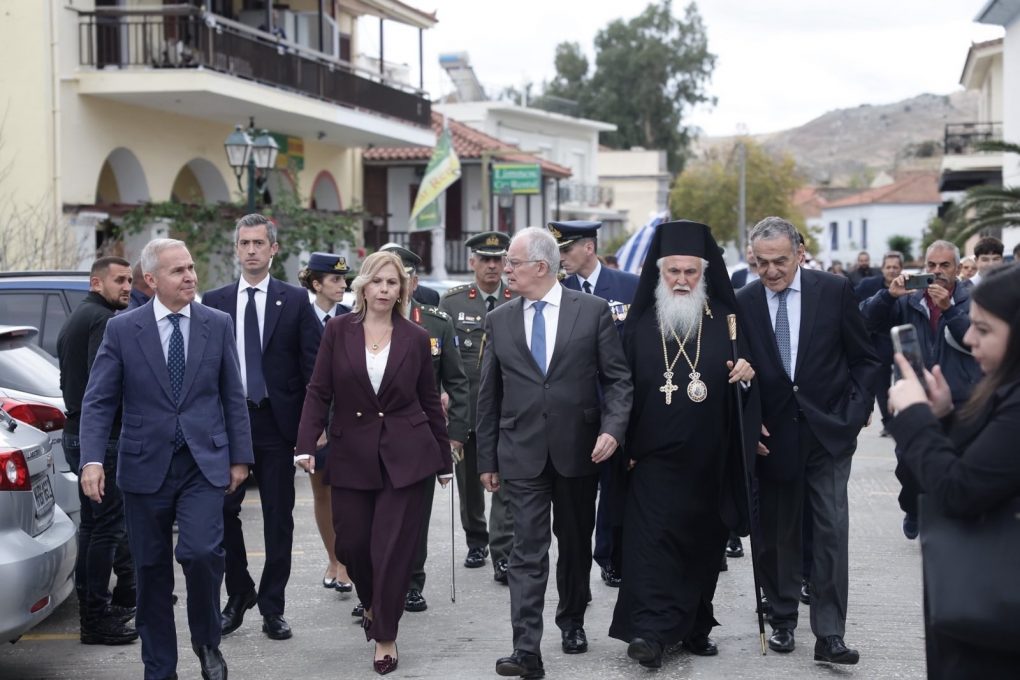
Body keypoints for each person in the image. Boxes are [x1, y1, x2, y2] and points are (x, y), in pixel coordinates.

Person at [79, 238, 253, 680]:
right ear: (152, 280)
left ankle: (207, 642)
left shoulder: (217, 323)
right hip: (144, 467)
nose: (190, 276)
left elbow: (233, 395)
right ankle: (159, 667)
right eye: (178, 271)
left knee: (201, 554)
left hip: (202, 464)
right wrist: (91, 460)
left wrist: (240, 457)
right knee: (151, 571)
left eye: (191, 267)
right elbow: (99, 400)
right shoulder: (123, 329)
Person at [476, 227, 632, 678]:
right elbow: (489, 394)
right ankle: (526, 648)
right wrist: (487, 459)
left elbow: (618, 380)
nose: (506, 270)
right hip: (521, 451)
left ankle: (573, 619)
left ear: (540, 267)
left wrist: (613, 430)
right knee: (527, 549)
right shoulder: (500, 319)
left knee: (575, 542)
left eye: (513, 263)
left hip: (580, 449)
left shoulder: (592, 311)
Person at [608, 220, 759, 668]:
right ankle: (650, 634)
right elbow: (620, 389)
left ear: (704, 274)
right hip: (651, 459)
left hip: (709, 458)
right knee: (651, 547)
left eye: (690, 272)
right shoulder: (639, 324)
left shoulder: (728, 321)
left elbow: (750, 382)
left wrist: (747, 377)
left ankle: (695, 625)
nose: (681, 280)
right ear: (659, 273)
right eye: (672, 271)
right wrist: (623, 443)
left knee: (701, 547)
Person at [294, 251, 453, 675]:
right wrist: (305, 442)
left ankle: (385, 633)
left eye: (392, 282)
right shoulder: (338, 330)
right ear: (363, 286)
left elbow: (428, 400)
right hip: (351, 453)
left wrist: (443, 459)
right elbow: (318, 390)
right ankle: (372, 603)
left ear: (402, 290)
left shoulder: (416, 337)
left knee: (392, 549)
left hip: (407, 456)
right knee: (352, 544)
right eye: (377, 281)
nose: (384, 289)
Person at [736, 216, 880, 665]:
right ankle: (782, 619)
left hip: (828, 433)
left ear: (800, 253)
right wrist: (749, 423)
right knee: (777, 532)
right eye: (762, 263)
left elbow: (865, 359)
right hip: (774, 437)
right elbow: (735, 369)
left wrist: (853, 415)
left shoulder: (833, 291)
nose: (771, 271)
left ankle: (830, 634)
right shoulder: (743, 302)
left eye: (780, 261)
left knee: (830, 530)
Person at [886, 263, 1020, 678]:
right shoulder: (1004, 389)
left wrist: (915, 416)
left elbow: (959, 490)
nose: (969, 338)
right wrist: (943, 417)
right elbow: (981, 464)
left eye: (984, 329)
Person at [202, 213, 321, 641]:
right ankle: (239, 592)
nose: (251, 250)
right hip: (228, 424)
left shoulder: (295, 300)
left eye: (258, 243)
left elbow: (313, 369)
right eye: (244, 243)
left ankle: (273, 606)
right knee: (222, 511)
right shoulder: (214, 301)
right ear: (236, 249)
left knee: (277, 518)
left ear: (273, 249)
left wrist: (312, 429)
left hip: (275, 422)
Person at [861, 240, 981, 539]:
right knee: (907, 463)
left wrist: (949, 310)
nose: (937, 271)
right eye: (932, 265)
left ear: (957, 268)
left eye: (945, 265)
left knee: (954, 459)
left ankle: (949, 519)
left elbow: (974, 341)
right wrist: (888, 296)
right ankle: (913, 507)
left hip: (960, 396)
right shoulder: (909, 300)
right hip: (916, 395)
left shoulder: (971, 299)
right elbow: (865, 321)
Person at [550, 219, 639, 589]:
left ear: (589, 247)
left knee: (617, 490)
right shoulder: (557, 290)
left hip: (619, 408)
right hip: (577, 411)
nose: (561, 257)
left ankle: (612, 556)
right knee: (577, 500)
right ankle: (578, 575)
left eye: (567, 249)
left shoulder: (628, 286)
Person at [57, 256, 138, 645]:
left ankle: (94, 611)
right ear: (96, 283)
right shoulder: (103, 320)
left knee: (93, 527)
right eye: (119, 280)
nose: (127, 287)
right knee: (106, 528)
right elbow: (101, 386)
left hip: (80, 434)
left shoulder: (79, 316)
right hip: (100, 440)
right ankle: (95, 617)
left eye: (130, 280)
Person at [384, 245, 469, 614]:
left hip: (417, 436)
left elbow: (457, 382)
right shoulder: (357, 322)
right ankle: (373, 587)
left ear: (414, 282)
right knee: (371, 517)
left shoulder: (435, 322)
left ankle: (411, 583)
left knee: (414, 516)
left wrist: (456, 435)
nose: (392, 286)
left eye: (400, 278)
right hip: (368, 435)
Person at [440, 232, 517, 584]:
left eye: (498, 259)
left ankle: (504, 551)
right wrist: (442, 394)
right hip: (467, 407)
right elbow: (439, 356)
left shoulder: (518, 297)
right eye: (485, 259)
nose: (492, 266)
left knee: (505, 482)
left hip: (508, 407)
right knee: (470, 480)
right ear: (472, 262)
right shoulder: (453, 302)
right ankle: (476, 540)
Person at [297, 252, 354, 593]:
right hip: (315, 418)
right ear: (316, 284)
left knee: (347, 493)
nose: (342, 285)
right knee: (322, 493)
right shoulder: (300, 318)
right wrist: (311, 427)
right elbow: (296, 374)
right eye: (335, 279)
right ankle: (333, 559)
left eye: (344, 279)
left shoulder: (352, 317)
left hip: (348, 418)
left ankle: (346, 563)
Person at [853, 251, 904, 432]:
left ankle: (907, 418)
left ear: (901, 269)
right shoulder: (868, 285)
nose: (892, 270)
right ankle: (889, 422)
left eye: (895, 267)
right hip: (877, 341)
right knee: (881, 385)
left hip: (901, 340)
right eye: (888, 267)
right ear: (882, 268)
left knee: (904, 382)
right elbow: (854, 303)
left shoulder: (909, 287)